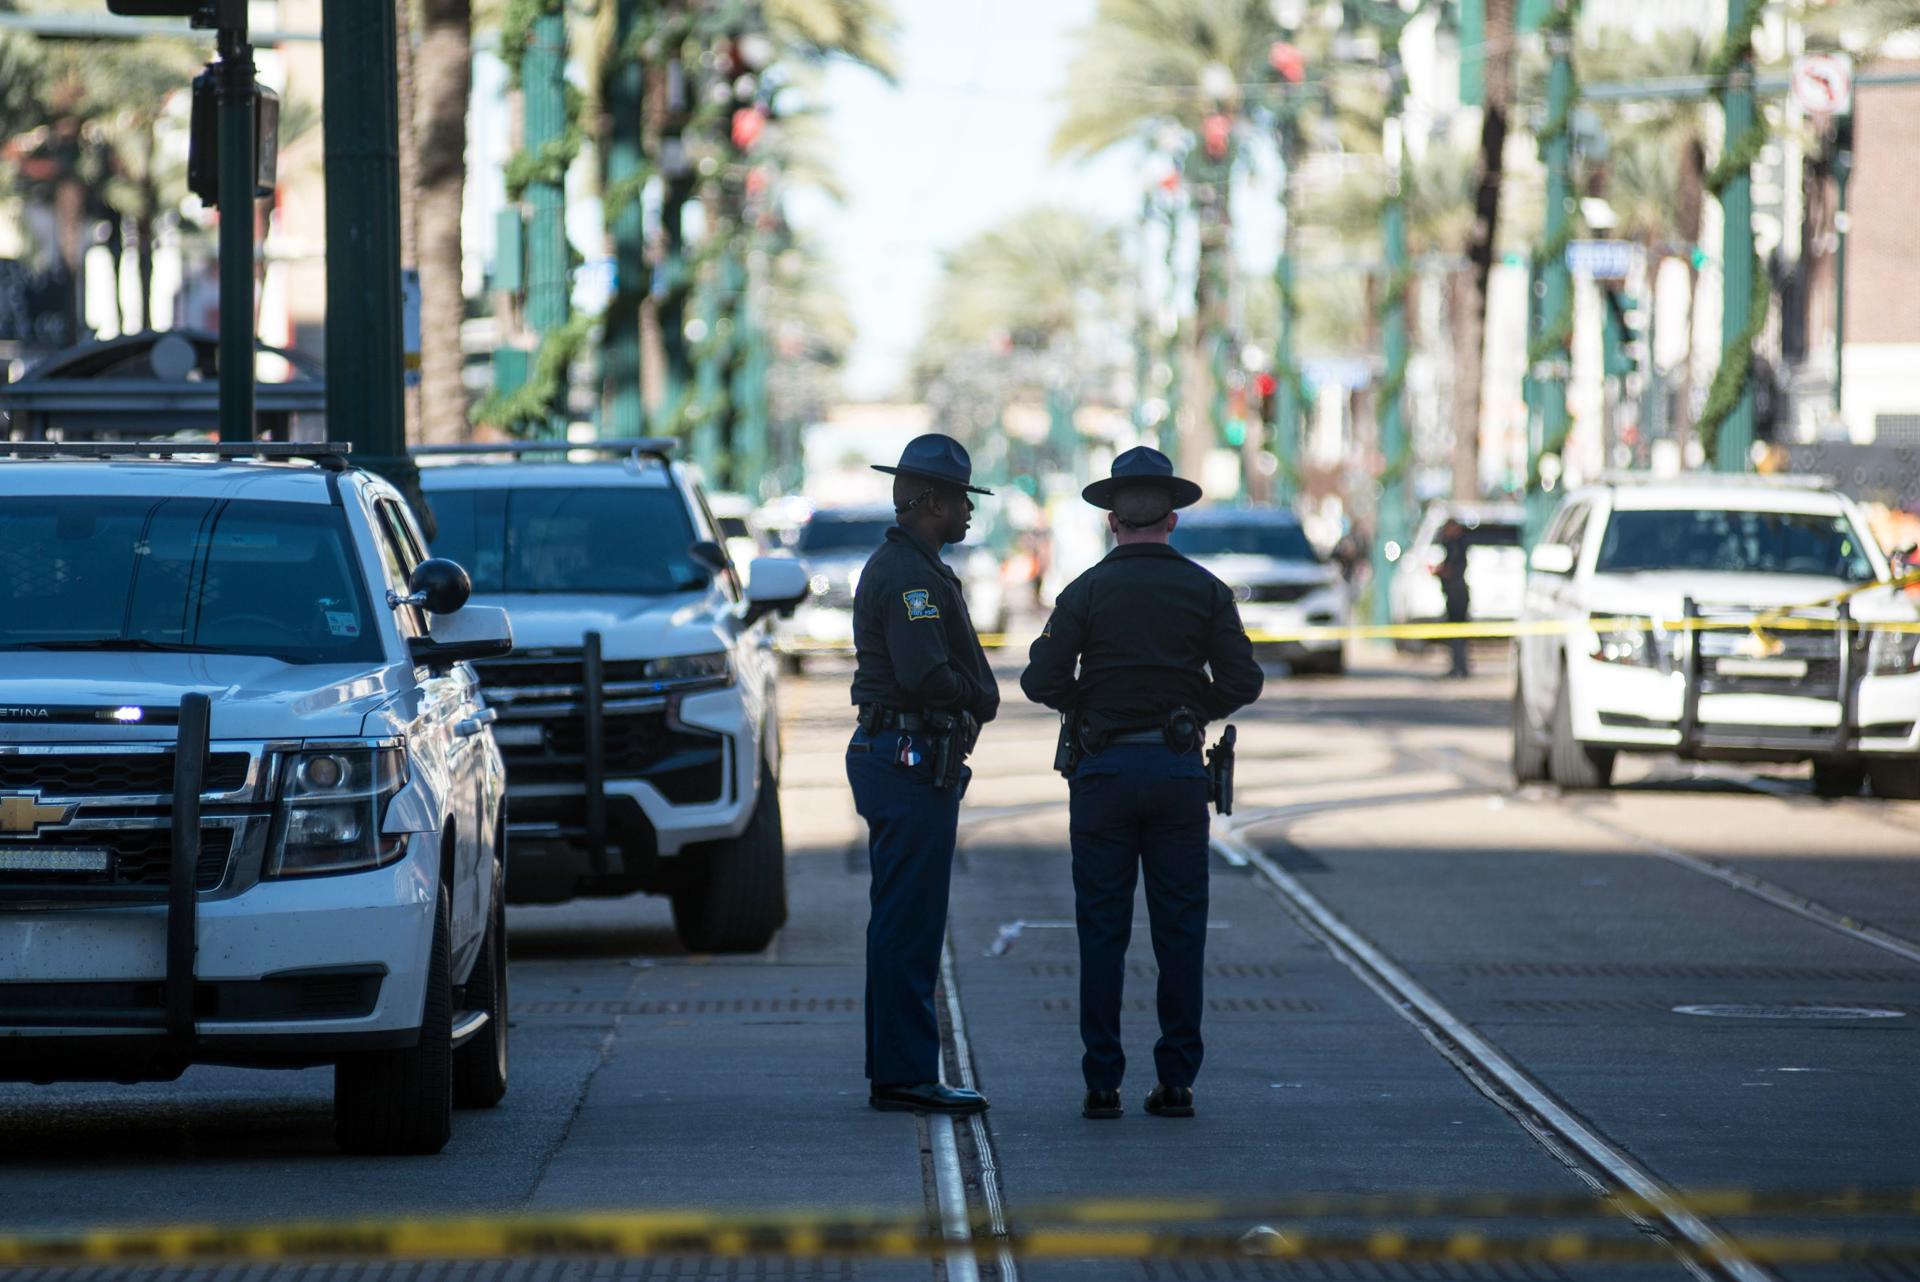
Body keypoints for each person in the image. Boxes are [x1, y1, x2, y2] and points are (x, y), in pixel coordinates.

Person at [1019, 446, 1264, 1121]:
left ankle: (1103, 1081)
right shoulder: (1206, 590)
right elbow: (1243, 681)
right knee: (1180, 931)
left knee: (1102, 931)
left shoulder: (1085, 591)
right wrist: (1191, 714)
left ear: (1110, 521)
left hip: (1101, 774)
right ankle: (1176, 1080)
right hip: (1180, 772)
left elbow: (1039, 680)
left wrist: (1090, 705)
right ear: (1174, 518)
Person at [846, 433, 1000, 1116]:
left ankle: (897, 1068)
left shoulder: (913, 565)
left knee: (902, 919)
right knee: (910, 924)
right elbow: (923, 674)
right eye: (962, 500)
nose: (968, 513)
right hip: (908, 762)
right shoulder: (910, 577)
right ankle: (906, 1073)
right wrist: (976, 696)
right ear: (932, 502)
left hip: (905, 761)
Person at [1436, 517, 1472, 678]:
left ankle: (1460, 666)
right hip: (1455, 593)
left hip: (1457, 594)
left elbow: (1453, 570)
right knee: (1456, 635)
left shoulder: (1456, 546)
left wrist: (1440, 572)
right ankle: (1458, 665)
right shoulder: (1455, 545)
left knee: (1458, 634)